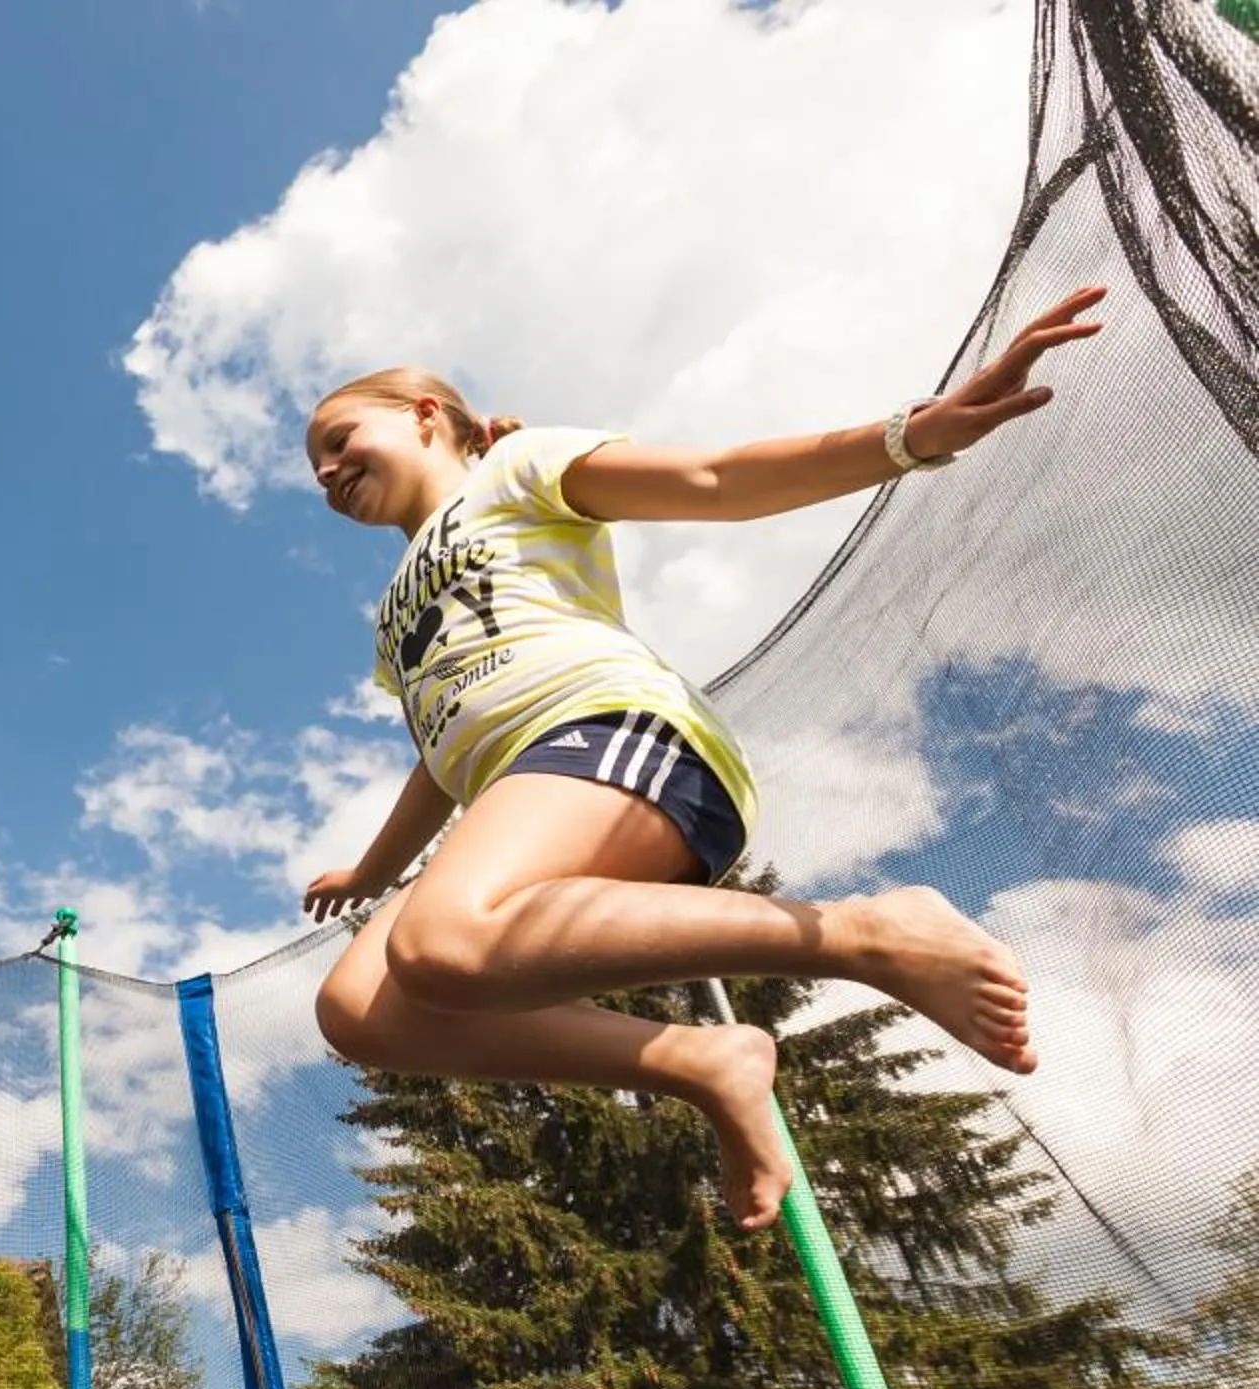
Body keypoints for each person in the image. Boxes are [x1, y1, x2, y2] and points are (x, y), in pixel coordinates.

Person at [298, 288, 1107, 1230]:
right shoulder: (393, 619)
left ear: (427, 416)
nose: (326, 471)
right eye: (316, 471)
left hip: (614, 732)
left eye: (340, 438)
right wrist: (374, 869)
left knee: (441, 942)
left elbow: (719, 479)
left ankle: (864, 934)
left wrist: (910, 435)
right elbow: (441, 759)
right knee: (360, 1009)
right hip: (516, 788)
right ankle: (699, 1061)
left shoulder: (517, 470)